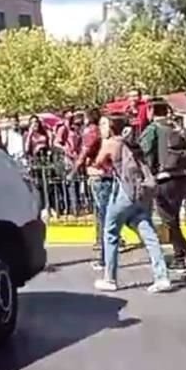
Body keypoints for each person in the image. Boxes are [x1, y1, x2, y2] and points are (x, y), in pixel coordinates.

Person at [94, 116, 172, 293]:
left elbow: (99, 162)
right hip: (142, 193)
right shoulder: (132, 143)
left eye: (104, 124)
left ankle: (110, 278)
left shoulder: (111, 143)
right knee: (149, 234)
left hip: (125, 192)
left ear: (112, 127)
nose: (101, 127)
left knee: (111, 231)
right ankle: (162, 277)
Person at [140, 99, 186, 279]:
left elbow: (145, 153)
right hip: (182, 178)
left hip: (164, 180)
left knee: (168, 222)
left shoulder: (153, 129)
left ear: (151, 110)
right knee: (173, 220)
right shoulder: (177, 128)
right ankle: (179, 257)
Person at [77, 109, 109, 269]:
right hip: (102, 174)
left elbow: (85, 152)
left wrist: (74, 169)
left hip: (98, 175)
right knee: (104, 216)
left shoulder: (91, 131)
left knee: (103, 217)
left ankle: (105, 257)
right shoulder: (101, 131)